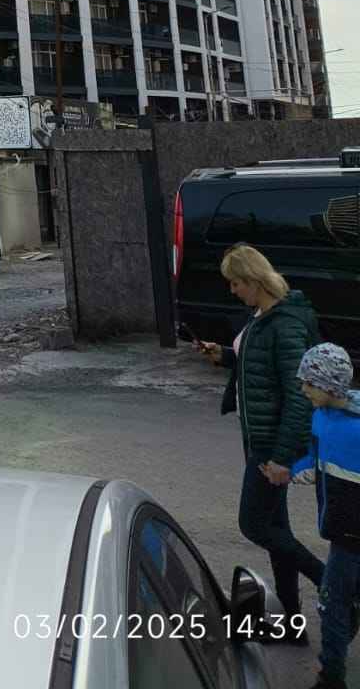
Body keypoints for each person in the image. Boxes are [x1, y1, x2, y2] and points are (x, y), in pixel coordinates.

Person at [194, 242, 323, 641]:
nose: (232, 290)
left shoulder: (286, 324)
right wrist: (225, 355)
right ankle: (293, 624)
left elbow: (299, 395)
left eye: (235, 283)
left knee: (253, 524)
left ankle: (333, 582)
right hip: (257, 437)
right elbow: (255, 360)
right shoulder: (261, 316)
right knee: (275, 528)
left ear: (253, 280)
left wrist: (283, 457)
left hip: (271, 442)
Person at [291, 343, 360, 689]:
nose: (303, 389)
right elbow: (315, 453)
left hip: (352, 536)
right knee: (337, 602)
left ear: (330, 386)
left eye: (309, 383)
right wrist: (301, 468)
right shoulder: (320, 417)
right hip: (339, 531)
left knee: (333, 604)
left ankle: (331, 677)